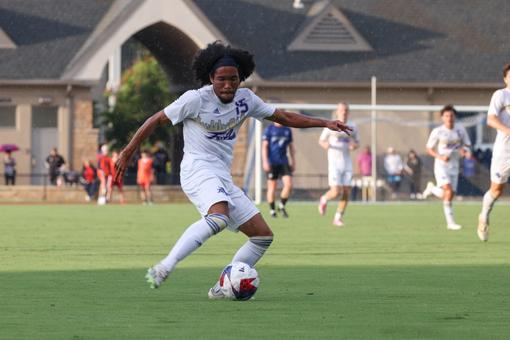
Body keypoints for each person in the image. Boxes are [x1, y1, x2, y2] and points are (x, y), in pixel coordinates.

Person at [114, 41, 351, 297]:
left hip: (221, 176)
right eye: (222, 79)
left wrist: (325, 122)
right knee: (218, 217)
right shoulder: (195, 100)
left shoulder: (246, 99)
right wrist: (128, 151)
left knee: (262, 236)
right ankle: (164, 266)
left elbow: (283, 117)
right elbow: (155, 120)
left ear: (241, 78)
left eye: (233, 79)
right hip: (197, 168)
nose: (228, 85)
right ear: (210, 78)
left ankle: (222, 287)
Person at [422, 105, 472, 230]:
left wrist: (465, 151)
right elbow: (428, 148)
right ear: (442, 118)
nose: (449, 118)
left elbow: (467, 145)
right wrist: (439, 156)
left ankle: (432, 189)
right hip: (441, 166)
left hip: (454, 166)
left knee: (449, 195)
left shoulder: (460, 130)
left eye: (451, 115)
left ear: (455, 117)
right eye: (447, 116)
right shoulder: (438, 131)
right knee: (448, 191)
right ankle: (450, 223)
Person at [477, 63, 510, 241]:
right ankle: (483, 216)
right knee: (496, 190)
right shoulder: (501, 95)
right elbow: (490, 120)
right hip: (504, 151)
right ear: (505, 78)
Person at [317, 102, 359, 227]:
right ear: (337, 111)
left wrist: (354, 145)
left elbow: (357, 141)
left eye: (346, 110)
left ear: (348, 111)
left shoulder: (353, 126)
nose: (344, 112)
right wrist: (325, 145)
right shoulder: (331, 124)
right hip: (334, 163)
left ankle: (338, 217)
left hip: (347, 163)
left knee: (346, 191)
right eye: (341, 110)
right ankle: (324, 199)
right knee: (335, 192)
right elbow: (321, 140)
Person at [262, 122, 295, 218]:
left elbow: (291, 147)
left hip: (284, 162)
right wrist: (265, 161)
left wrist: (293, 161)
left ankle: (281, 206)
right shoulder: (269, 129)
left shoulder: (287, 130)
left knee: (289, 184)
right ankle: (272, 210)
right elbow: (264, 146)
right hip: (272, 162)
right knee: (272, 187)